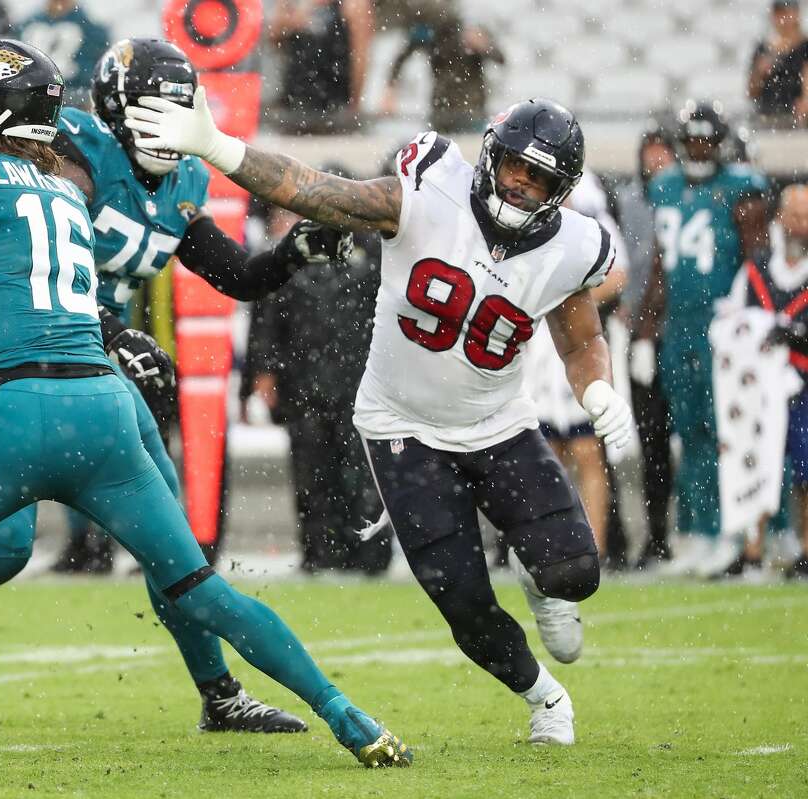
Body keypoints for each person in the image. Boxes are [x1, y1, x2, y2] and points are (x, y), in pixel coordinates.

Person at [0, 38, 410, 771]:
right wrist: (116, 335)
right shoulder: (65, 182)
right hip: (100, 400)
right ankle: (350, 718)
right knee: (200, 585)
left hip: (22, 398)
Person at [126, 93, 635, 746]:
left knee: (575, 573)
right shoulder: (428, 190)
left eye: (539, 178)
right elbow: (313, 190)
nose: (519, 183)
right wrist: (220, 146)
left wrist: (597, 391)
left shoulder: (572, 246)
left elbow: (580, 335)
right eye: (514, 165)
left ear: (561, 192)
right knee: (463, 603)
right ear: (489, 153)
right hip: (403, 430)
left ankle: (544, 583)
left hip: (500, 423)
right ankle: (544, 695)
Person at [635, 101, 770, 576]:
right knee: (687, 434)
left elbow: (758, 260)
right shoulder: (666, 187)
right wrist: (646, 331)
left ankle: (733, 534)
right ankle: (696, 533)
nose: (698, 149)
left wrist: (751, 315)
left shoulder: (741, 189)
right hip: (679, 328)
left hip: (724, 328)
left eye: (705, 141)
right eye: (691, 140)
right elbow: (658, 265)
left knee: (726, 433)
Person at [245, 201, 390, 574]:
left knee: (360, 473)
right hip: (305, 384)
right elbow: (266, 322)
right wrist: (263, 375)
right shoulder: (291, 257)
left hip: (358, 386)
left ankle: (369, 554)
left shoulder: (372, 256)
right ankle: (321, 552)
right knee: (312, 474)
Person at [524, 169, 629, 563]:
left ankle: (594, 548)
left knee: (586, 448)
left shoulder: (589, 221)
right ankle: (547, 548)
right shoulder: (528, 218)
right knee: (544, 450)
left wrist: (567, 305)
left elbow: (618, 275)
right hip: (534, 347)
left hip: (575, 343)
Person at [717, 184, 808, 579]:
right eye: (795, 216)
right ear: (781, 218)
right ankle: (752, 547)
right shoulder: (757, 268)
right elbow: (732, 316)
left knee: (805, 468)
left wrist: (794, 333)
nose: (801, 226)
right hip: (759, 387)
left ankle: (804, 547)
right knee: (755, 456)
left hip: (802, 383)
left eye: (807, 217)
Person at [617, 118, 677, 569]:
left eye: (664, 150)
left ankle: (672, 535)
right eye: (650, 151)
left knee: (684, 438)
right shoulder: (627, 200)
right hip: (632, 333)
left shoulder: (684, 198)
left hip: (676, 333)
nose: (656, 160)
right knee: (639, 437)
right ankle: (643, 539)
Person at [384, 14, 504, 134]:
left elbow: (500, 59)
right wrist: (391, 89)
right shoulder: (432, 28)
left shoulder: (473, 25)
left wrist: (483, 45)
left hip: (472, 110)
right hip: (441, 109)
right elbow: (403, 55)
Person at [268, 0, 373, 133]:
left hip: (333, 105)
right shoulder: (292, 4)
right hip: (293, 102)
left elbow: (360, 58)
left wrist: (355, 104)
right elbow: (273, 38)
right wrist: (293, 20)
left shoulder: (353, 5)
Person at [16, 1, 110, 100]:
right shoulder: (28, 25)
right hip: (30, 92)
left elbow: (94, 73)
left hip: (72, 94)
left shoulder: (92, 31)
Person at [749, 0, 808, 129]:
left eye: (787, 14)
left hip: (798, 121)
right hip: (767, 118)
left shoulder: (805, 47)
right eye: (779, 14)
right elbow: (751, 91)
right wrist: (759, 72)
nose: (784, 19)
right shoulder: (763, 48)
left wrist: (805, 101)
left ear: (797, 15)